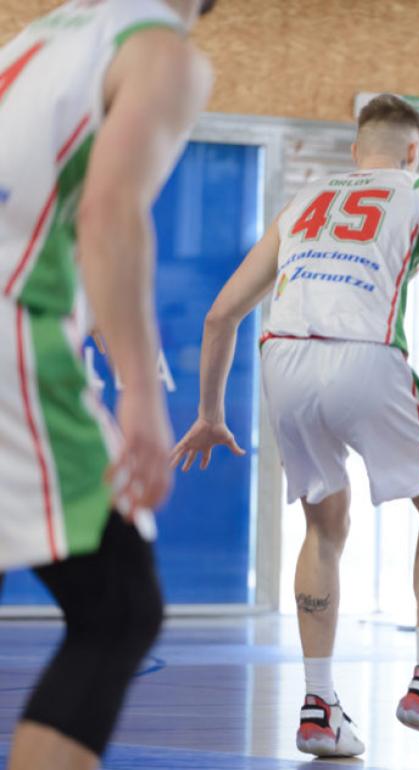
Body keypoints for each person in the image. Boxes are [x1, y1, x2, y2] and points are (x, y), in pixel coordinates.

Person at [170, 94, 419, 757]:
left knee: (323, 522)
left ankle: (319, 707)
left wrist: (209, 414)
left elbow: (219, 316)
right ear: (412, 151)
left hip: (282, 356)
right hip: (365, 355)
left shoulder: (300, 205)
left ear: (355, 151)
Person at [0, 2, 213, 769]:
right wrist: (143, 394)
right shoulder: (160, 51)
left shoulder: (40, 36)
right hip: (16, 330)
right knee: (118, 608)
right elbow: (109, 213)